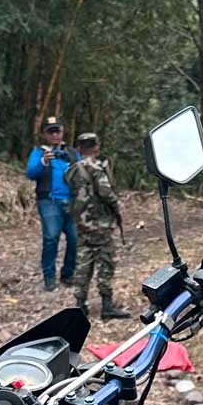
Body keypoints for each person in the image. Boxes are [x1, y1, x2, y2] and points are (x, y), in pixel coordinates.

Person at [64, 133, 129, 320]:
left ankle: (79, 304)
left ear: (79, 148)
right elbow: (106, 193)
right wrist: (118, 209)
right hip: (100, 224)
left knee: (83, 263)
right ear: (96, 147)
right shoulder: (96, 168)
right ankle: (107, 305)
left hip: (82, 224)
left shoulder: (72, 170)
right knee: (106, 263)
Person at [26, 116, 79, 291]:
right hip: (49, 202)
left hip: (71, 201)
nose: (55, 135)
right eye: (51, 131)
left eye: (58, 131)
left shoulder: (71, 153)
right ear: (45, 134)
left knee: (75, 239)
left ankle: (68, 274)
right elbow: (31, 173)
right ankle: (49, 277)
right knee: (51, 238)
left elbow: (82, 174)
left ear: (63, 132)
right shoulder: (39, 152)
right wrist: (43, 162)